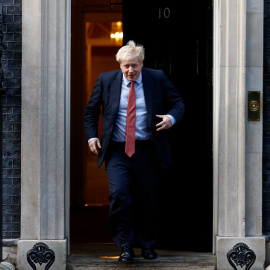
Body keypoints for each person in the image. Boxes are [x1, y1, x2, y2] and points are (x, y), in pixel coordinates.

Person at [84, 40, 185, 263]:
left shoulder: (156, 78)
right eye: (126, 66)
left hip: (148, 150)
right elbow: (91, 111)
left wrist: (171, 117)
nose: (130, 71)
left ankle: (148, 245)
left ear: (142, 64)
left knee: (148, 198)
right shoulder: (106, 80)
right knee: (120, 196)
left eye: (135, 66)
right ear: (119, 65)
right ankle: (126, 246)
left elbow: (178, 102)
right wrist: (92, 136)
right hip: (118, 151)